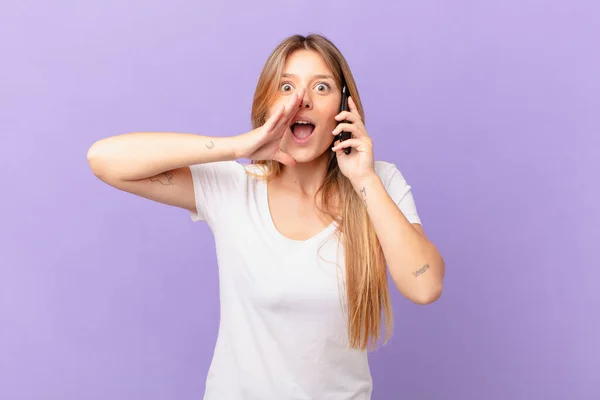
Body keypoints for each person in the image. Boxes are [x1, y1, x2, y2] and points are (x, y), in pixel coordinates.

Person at [87, 33, 445, 400]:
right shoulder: (235, 187)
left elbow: (424, 285)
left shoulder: (378, 181)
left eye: (321, 87)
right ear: (268, 103)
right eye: (286, 86)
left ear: (343, 107)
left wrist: (365, 179)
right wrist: (238, 146)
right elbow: (104, 160)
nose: (302, 100)